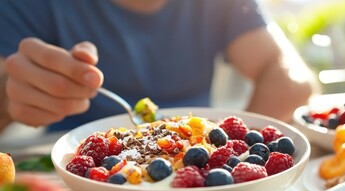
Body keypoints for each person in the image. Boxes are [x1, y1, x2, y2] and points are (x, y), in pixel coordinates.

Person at [0, 0, 318, 133]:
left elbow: (290, 78)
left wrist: (232, 153)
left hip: (199, 189)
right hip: (82, 187)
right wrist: (9, 97)